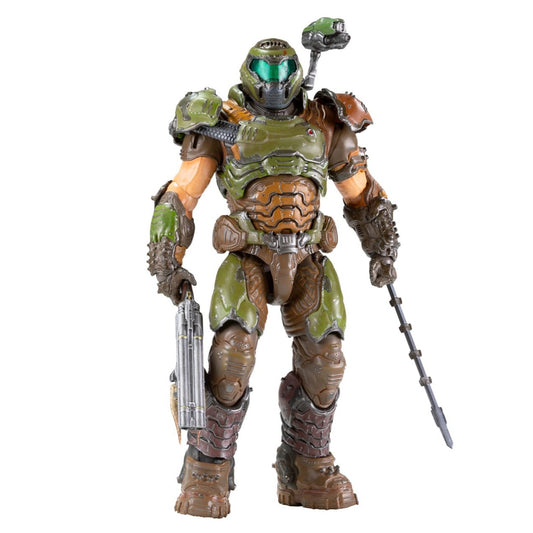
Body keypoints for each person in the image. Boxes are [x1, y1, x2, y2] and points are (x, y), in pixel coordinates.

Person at [148, 37, 399, 518]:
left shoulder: (324, 120)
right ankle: (207, 468)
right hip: (248, 255)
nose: (275, 88)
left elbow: (362, 194)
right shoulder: (220, 121)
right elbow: (180, 195)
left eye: (283, 77)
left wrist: (381, 248)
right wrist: (168, 263)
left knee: (327, 361)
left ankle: (306, 466)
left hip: (308, 256)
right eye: (266, 77)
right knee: (232, 358)